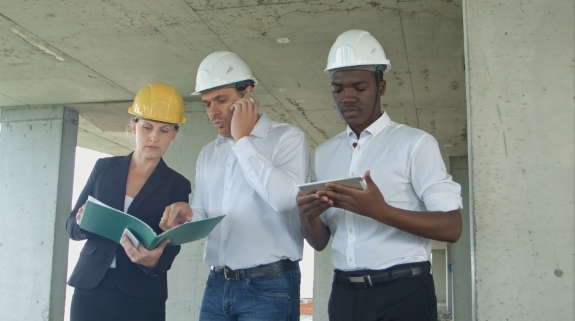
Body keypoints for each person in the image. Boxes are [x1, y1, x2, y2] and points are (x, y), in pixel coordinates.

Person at [297, 29, 463, 321]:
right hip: (345, 294)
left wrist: (380, 211)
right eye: (338, 88)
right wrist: (307, 215)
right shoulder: (324, 153)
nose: (347, 97)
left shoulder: (415, 144)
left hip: (404, 292)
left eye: (359, 87)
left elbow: (451, 227)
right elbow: (320, 242)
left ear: (381, 86)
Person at [160, 51, 309, 321]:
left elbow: (284, 199)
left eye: (221, 100)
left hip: (270, 287)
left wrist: (242, 140)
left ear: (248, 95)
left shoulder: (287, 138)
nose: (213, 111)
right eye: (207, 104)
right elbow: (203, 212)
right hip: (217, 284)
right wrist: (188, 214)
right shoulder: (209, 153)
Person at [66, 82, 192, 321]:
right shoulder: (103, 168)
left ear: (175, 134)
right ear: (134, 127)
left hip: (141, 292)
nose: (154, 137)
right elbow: (71, 225)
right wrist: (83, 221)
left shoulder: (178, 184)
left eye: (164, 130)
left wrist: (154, 261)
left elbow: (172, 245)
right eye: (147, 127)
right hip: (91, 286)